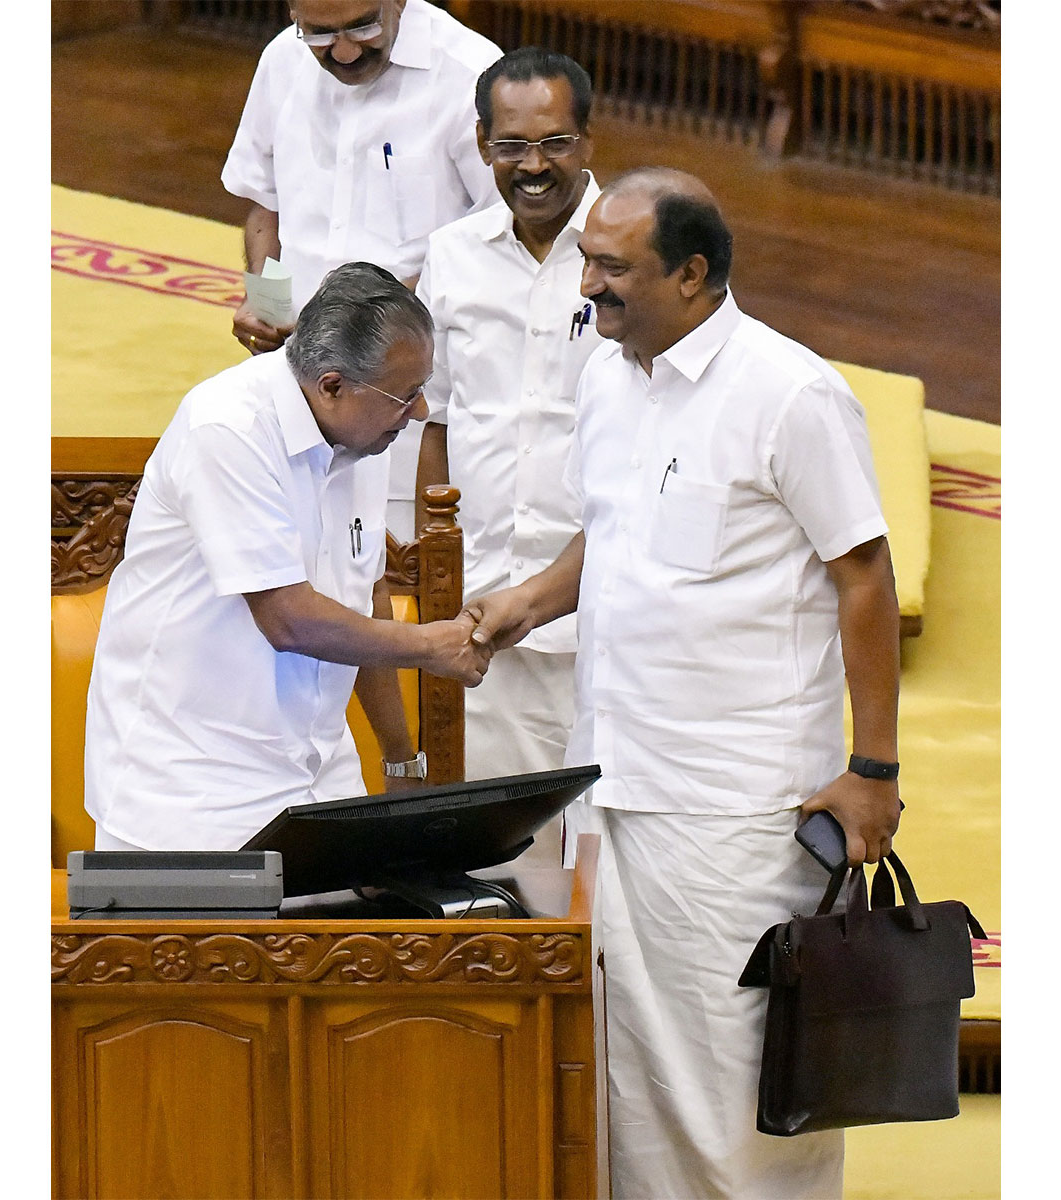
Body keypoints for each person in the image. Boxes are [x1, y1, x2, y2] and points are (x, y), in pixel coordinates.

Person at [463, 169, 904, 1198]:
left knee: (737, 1080)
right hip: (610, 783)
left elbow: (865, 575)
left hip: (734, 807)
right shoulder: (607, 379)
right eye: (586, 261)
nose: (587, 285)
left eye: (612, 267)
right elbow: (613, 532)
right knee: (621, 1072)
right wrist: (533, 600)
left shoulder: (790, 394)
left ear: (693, 274)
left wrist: (873, 770)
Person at [85, 263, 491, 852]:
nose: (422, 410)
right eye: (405, 395)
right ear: (331, 386)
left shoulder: (364, 431)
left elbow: (366, 593)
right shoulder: (227, 427)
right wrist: (431, 645)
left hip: (320, 779)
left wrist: (400, 762)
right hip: (192, 794)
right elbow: (288, 620)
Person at [221, 0, 502, 539]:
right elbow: (265, 203)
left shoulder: (469, 75)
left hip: (410, 396)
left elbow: (495, 233)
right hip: (295, 378)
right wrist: (267, 302)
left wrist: (356, 332)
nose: (345, 51)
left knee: (394, 557)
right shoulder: (282, 60)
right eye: (320, 34)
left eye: (363, 26)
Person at [414, 47, 601, 808]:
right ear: (482, 144)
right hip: (485, 606)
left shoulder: (633, 254)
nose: (534, 165)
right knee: (502, 837)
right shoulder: (452, 253)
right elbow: (435, 418)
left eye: (554, 142)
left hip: (604, 604)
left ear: (588, 140)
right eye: (512, 145)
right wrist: (435, 568)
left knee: (606, 838)